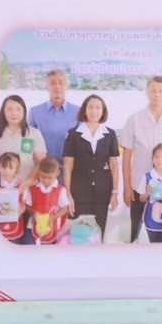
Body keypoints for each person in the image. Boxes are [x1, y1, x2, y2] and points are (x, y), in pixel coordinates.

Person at [121, 75, 162, 242]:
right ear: (147, 92)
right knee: (136, 233)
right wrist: (127, 187)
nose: (157, 94)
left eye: (161, 91)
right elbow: (127, 155)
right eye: (153, 90)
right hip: (139, 187)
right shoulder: (135, 119)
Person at [61, 94, 121, 240]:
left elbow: (114, 165)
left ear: (103, 111)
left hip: (103, 191)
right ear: (85, 110)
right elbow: (68, 166)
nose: (94, 111)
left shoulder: (110, 134)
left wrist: (115, 192)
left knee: (99, 231)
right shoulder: (73, 134)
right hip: (78, 191)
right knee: (79, 232)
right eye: (91, 107)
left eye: (98, 108)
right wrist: (68, 193)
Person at [27, 69, 81, 166]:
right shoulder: (35, 112)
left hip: (69, 169)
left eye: (61, 83)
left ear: (67, 87)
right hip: (41, 169)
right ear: (47, 87)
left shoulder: (78, 112)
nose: (57, 86)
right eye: (53, 83)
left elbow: (82, 145)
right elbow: (27, 143)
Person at [21, 157, 72, 245]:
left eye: (49, 178)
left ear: (57, 173)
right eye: (42, 177)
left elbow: (65, 208)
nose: (46, 180)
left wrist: (54, 217)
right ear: (38, 173)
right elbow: (28, 206)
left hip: (53, 228)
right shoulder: (33, 189)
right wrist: (34, 213)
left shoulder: (61, 190)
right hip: (32, 227)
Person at [0, 152, 28, 245]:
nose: (6, 171)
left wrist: (19, 212)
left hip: (16, 223)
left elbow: (24, 204)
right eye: (3, 167)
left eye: (10, 168)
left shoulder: (21, 186)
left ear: (17, 169)